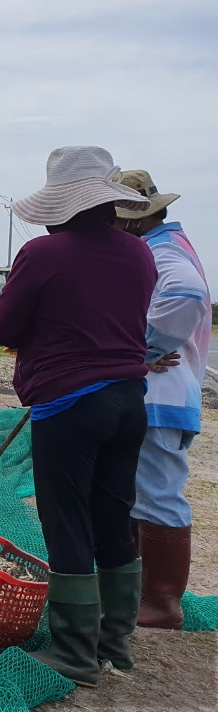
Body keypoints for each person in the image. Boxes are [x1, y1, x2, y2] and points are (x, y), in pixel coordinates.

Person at [0, 146, 155, 685]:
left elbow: (4, 330)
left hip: (70, 404)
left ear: (61, 205)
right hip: (130, 401)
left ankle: (74, 653)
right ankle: (115, 643)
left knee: (66, 520)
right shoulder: (139, 254)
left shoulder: (44, 253)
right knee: (113, 516)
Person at [115, 170, 211, 629]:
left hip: (162, 393)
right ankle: (142, 593)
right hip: (160, 392)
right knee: (141, 494)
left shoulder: (165, 254)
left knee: (157, 494)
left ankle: (161, 602)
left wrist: (143, 349)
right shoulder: (165, 246)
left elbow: (187, 295)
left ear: (133, 219)